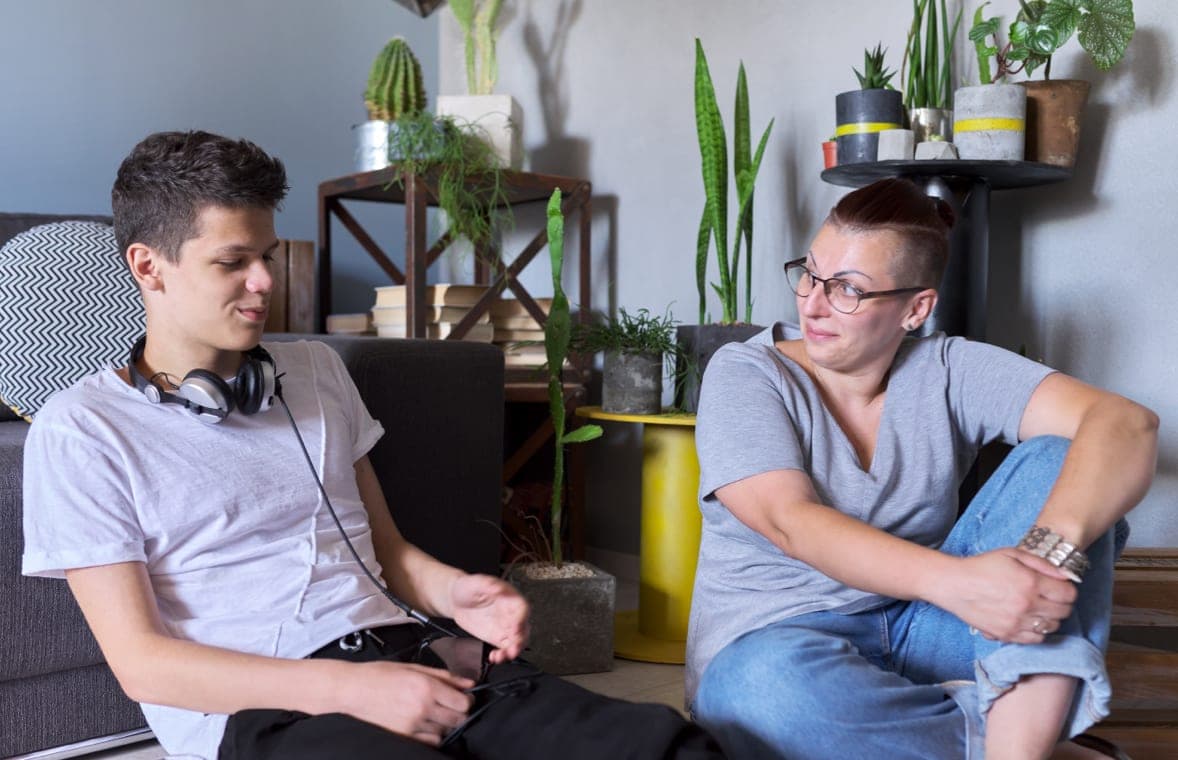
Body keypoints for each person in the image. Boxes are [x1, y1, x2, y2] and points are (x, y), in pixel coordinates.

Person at [21, 130, 725, 760]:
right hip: (271, 711)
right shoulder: (83, 429)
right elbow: (144, 663)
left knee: (664, 744)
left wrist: (459, 592)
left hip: (413, 657)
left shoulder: (317, 372)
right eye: (233, 261)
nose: (265, 282)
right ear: (149, 267)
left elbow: (388, 553)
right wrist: (351, 692)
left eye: (266, 255)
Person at [685, 178, 1157, 760]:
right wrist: (962, 585)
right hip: (782, 644)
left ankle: (994, 741)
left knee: (1064, 459)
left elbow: (1127, 425)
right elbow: (790, 522)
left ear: (916, 308)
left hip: (930, 630)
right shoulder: (746, 373)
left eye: (848, 290)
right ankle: (1024, 741)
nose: (812, 302)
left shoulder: (947, 368)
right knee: (764, 698)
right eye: (809, 273)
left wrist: (1044, 556)